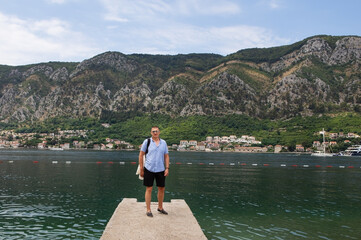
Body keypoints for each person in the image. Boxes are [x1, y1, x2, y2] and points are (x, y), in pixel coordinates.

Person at [139, 126, 170, 217]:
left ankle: (160, 207)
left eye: (156, 131)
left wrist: (167, 168)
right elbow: (141, 155)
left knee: (161, 188)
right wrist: (141, 168)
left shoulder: (163, 143)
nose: (155, 133)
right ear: (151, 133)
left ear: (159, 132)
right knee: (149, 188)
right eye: (153, 131)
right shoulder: (147, 142)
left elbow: (166, 156)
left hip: (161, 169)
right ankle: (148, 209)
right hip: (149, 168)